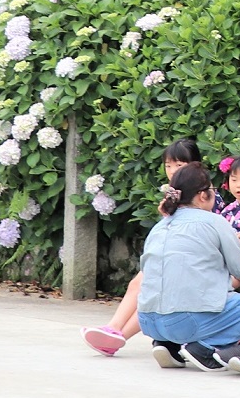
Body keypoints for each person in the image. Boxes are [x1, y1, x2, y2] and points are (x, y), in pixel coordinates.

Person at [138, 163, 240, 374]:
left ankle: (168, 346)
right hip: (186, 321)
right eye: (213, 191)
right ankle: (204, 348)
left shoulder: (159, 226)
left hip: (148, 320)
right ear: (202, 195)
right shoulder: (214, 221)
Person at [83, 138, 204, 355]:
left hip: (193, 262)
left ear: (195, 166)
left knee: (150, 287)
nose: (172, 171)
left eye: (179, 165)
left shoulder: (204, 195)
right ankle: (114, 331)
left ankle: (116, 336)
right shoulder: (172, 196)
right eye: (168, 165)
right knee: (138, 283)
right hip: (171, 258)